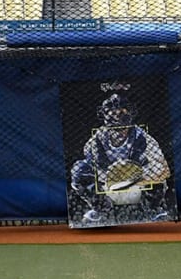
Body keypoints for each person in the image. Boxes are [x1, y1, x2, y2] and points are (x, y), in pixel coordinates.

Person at [68, 90, 173, 225]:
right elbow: (93, 167)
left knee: (157, 167)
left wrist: (134, 178)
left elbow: (165, 170)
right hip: (109, 189)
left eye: (121, 112)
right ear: (105, 115)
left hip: (137, 188)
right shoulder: (97, 139)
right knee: (79, 168)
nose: (117, 116)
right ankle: (100, 208)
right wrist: (114, 176)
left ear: (129, 113)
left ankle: (153, 209)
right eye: (113, 113)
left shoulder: (142, 137)